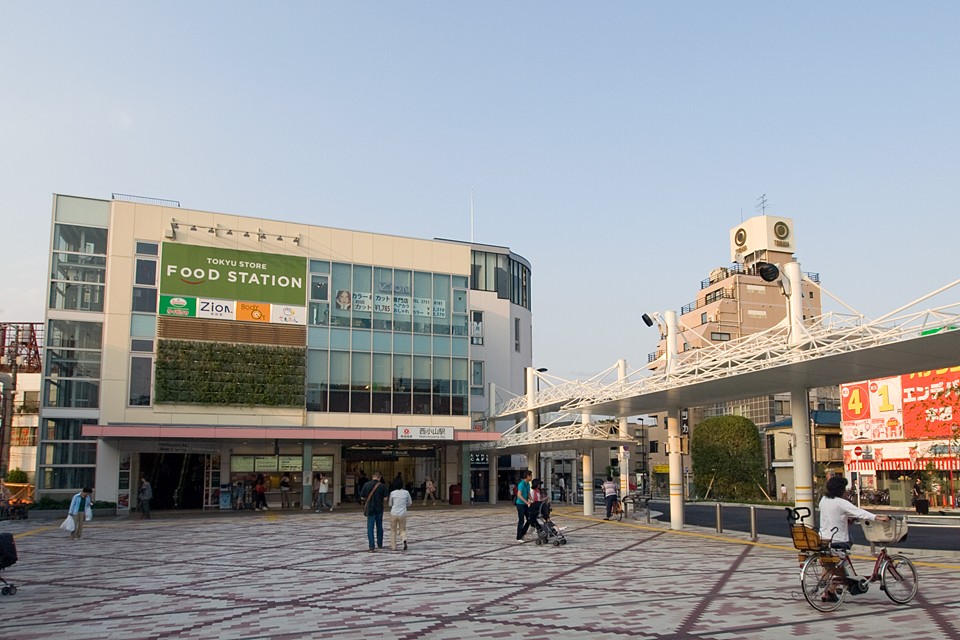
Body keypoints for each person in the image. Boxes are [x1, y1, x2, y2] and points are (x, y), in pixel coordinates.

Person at [818, 475, 890, 602]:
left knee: (830, 562)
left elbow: (834, 515)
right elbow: (860, 512)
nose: (846, 491)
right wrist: (879, 518)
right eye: (844, 489)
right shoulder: (841, 502)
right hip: (839, 540)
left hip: (824, 539)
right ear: (840, 490)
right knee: (846, 548)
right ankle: (841, 584)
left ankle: (829, 591)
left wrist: (846, 519)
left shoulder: (823, 500)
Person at [359, 471, 389, 552]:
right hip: (379, 509)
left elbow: (362, 497)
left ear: (372, 477)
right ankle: (379, 544)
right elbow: (386, 498)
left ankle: (371, 546)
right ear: (380, 477)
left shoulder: (366, 485)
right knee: (379, 527)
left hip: (370, 509)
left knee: (370, 528)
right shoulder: (382, 486)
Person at [388, 480, 413, 551]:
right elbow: (410, 502)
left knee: (393, 530)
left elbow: (390, 504)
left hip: (393, 513)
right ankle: (404, 539)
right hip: (402, 513)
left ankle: (393, 546)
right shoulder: (406, 492)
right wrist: (405, 505)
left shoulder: (392, 493)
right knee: (402, 529)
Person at [515, 470, 533, 543]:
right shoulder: (521, 484)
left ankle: (523, 533)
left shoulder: (528, 484)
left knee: (529, 519)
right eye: (531, 475)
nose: (531, 477)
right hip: (520, 505)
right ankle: (519, 537)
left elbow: (528, 493)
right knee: (521, 520)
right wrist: (526, 502)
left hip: (525, 505)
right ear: (527, 476)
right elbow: (519, 495)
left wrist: (532, 500)